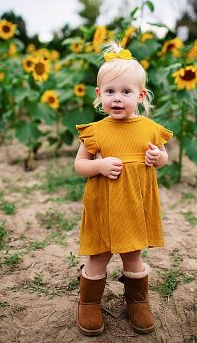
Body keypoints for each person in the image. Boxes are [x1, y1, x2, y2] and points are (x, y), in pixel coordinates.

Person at [72, 42, 172, 335]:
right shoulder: (95, 131)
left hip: (134, 206)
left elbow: (164, 157)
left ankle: (137, 300)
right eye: (110, 91)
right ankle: (88, 302)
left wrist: (158, 158)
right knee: (98, 255)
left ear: (140, 96)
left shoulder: (149, 129)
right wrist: (98, 166)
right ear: (99, 94)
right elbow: (80, 165)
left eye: (126, 92)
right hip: (103, 205)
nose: (117, 98)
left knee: (133, 254)